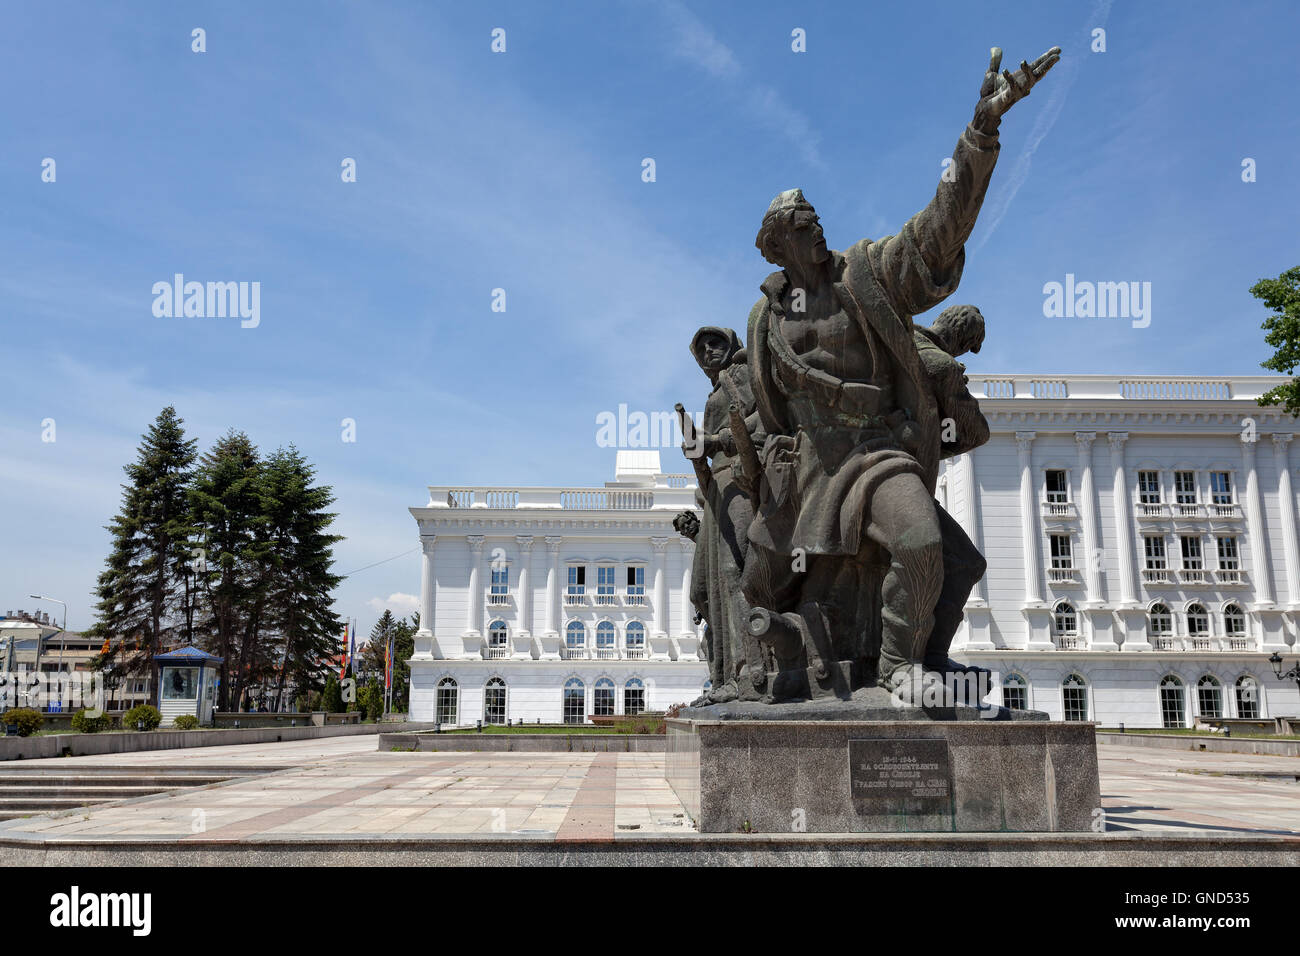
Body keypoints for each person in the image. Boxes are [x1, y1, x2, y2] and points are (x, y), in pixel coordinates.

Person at [740, 47, 1060, 702]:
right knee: (759, 576)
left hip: (878, 453)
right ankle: (770, 660)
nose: (819, 227)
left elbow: (937, 230)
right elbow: (769, 410)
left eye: (818, 218)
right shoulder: (764, 321)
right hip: (809, 468)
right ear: (779, 243)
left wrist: (982, 130)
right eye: (805, 224)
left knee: (922, 546)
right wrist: (769, 457)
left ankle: (897, 669)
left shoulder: (866, 271)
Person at [683, 327, 766, 702]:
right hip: (715, 489)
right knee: (702, 589)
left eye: (715, 343)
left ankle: (749, 672)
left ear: (731, 345)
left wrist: (715, 441)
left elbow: (762, 419)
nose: (708, 351)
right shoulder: (715, 393)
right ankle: (721, 676)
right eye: (701, 348)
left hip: (739, 477)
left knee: (736, 573)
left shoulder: (742, 376)